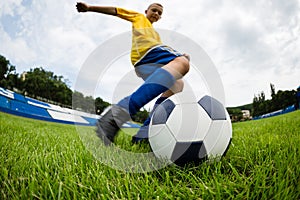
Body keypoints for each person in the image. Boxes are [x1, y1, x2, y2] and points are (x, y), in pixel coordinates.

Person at [76, 2, 190, 145]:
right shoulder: (139, 17)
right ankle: (116, 115)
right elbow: (115, 10)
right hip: (147, 54)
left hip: (146, 63)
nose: (156, 14)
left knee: (178, 84)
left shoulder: (156, 34)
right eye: (154, 10)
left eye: (159, 13)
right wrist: (89, 8)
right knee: (183, 63)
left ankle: (144, 134)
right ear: (146, 10)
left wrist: (177, 60)